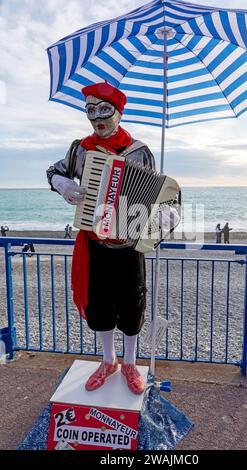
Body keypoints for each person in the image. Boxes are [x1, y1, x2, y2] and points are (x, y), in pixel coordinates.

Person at [46, 82, 159, 395]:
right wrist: (62, 183)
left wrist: (166, 215)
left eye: (104, 109)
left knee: (133, 304)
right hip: (94, 243)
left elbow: (155, 196)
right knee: (99, 306)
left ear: (118, 113)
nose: (97, 116)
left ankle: (130, 363)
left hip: (129, 245)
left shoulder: (140, 152)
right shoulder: (80, 148)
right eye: (91, 110)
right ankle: (108, 361)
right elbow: (53, 172)